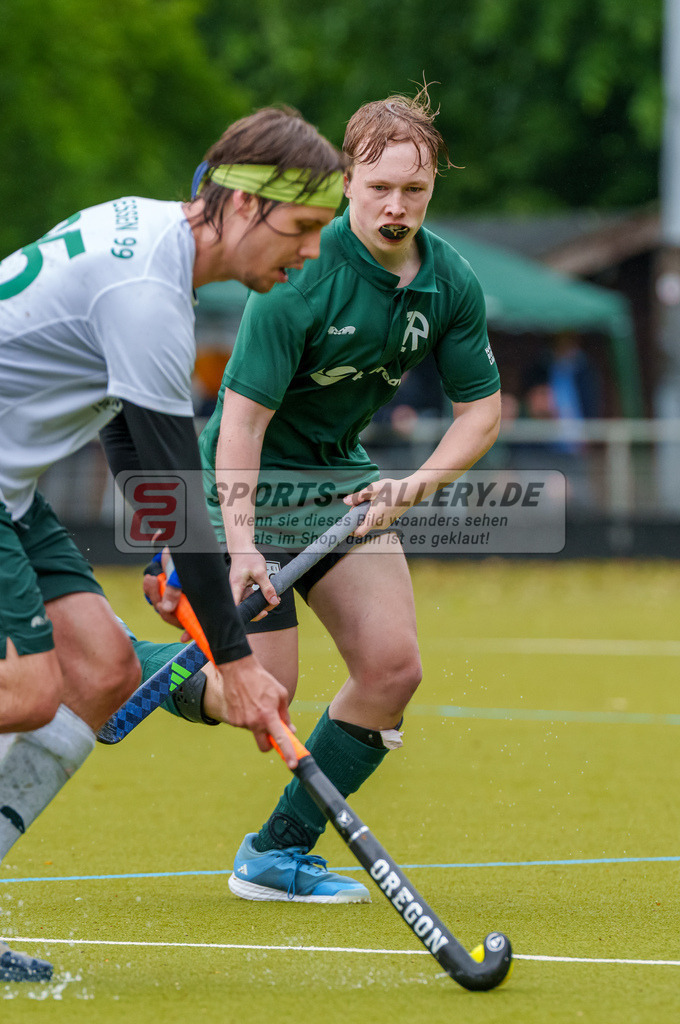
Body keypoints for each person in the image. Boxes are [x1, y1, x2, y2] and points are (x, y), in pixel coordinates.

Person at [0, 106, 345, 981]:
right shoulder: (148, 292)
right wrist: (233, 660)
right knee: (27, 688)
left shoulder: (151, 244)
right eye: (301, 229)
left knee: (104, 668)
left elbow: (127, 436)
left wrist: (168, 564)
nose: (308, 253)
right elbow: (181, 491)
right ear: (240, 204)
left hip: (11, 489)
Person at [141, 88, 501, 904]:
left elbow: (482, 411)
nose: (396, 206)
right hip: (248, 481)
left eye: (414, 189)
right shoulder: (299, 281)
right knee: (258, 690)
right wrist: (235, 549)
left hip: (340, 481)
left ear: (434, 185)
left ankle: (276, 854)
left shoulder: (449, 283)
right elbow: (238, 427)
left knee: (392, 668)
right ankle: (111, 663)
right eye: (379, 188)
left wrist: (411, 486)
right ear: (346, 180)